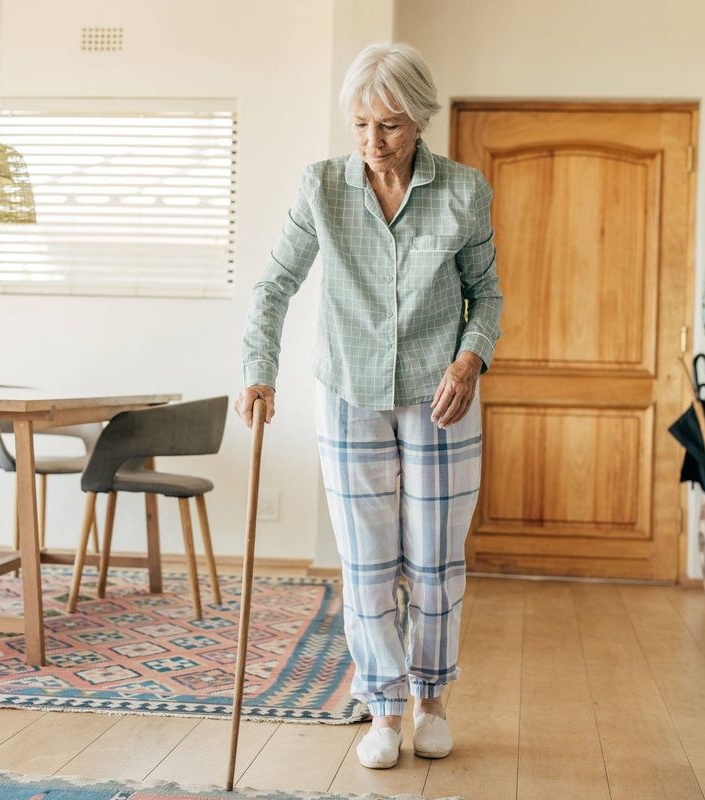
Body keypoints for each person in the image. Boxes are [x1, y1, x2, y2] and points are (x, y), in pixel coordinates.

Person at [235, 42, 503, 769]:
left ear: (420, 120)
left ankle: (432, 702)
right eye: (359, 125)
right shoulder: (321, 187)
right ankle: (383, 708)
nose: (372, 142)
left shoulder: (464, 191)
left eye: (388, 126)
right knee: (366, 564)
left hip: (440, 396)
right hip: (349, 390)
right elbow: (274, 286)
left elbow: (487, 294)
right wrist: (260, 371)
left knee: (435, 564)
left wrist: (470, 360)